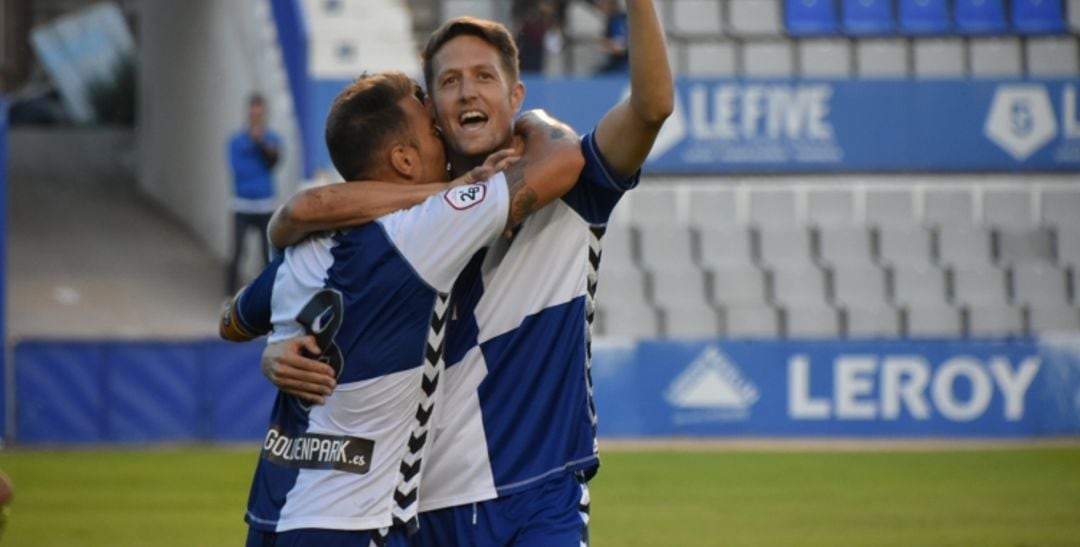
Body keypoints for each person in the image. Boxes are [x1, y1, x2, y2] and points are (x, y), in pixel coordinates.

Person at [259, 3, 672, 544]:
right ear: (431, 110)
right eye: (450, 81)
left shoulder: (577, 185)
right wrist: (277, 346)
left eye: (485, 76)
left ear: (515, 95)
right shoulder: (404, 223)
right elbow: (278, 276)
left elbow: (652, 107)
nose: (469, 91)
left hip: (540, 498)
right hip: (418, 511)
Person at [220, 71, 584, 547]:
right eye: (432, 131)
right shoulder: (421, 235)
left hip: (269, 515)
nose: (443, 134)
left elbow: (231, 321)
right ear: (404, 160)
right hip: (351, 523)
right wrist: (524, 109)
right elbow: (561, 159)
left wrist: (272, 350)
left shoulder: (301, 252)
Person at [226, 93, 282, 295]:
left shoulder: (272, 139)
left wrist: (259, 145)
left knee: (267, 254)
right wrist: (254, 145)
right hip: (242, 204)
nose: (256, 117)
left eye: (260, 114)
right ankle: (228, 297)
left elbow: (273, 163)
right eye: (253, 113)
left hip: (265, 205)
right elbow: (239, 169)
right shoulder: (235, 141)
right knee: (237, 253)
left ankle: (269, 295)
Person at [596, 0, 629, 74]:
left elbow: (621, 45)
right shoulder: (610, 21)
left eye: (604, 4)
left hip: (625, 65)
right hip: (614, 64)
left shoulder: (621, 19)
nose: (602, 8)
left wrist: (613, 46)